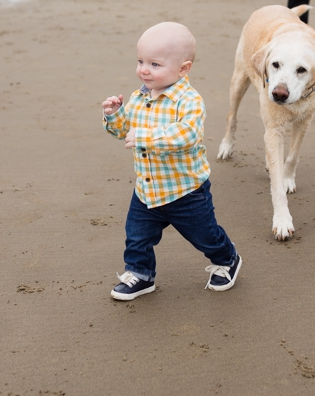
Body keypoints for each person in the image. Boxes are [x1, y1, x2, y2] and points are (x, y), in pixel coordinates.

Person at [101, 22, 242, 300]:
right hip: (147, 188)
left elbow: (186, 135)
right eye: (140, 61)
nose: (144, 69)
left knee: (206, 236)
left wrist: (146, 137)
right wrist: (114, 115)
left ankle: (228, 259)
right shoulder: (138, 97)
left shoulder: (189, 100)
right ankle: (140, 274)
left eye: (155, 64)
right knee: (137, 236)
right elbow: (124, 132)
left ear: (183, 68)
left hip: (185, 191)